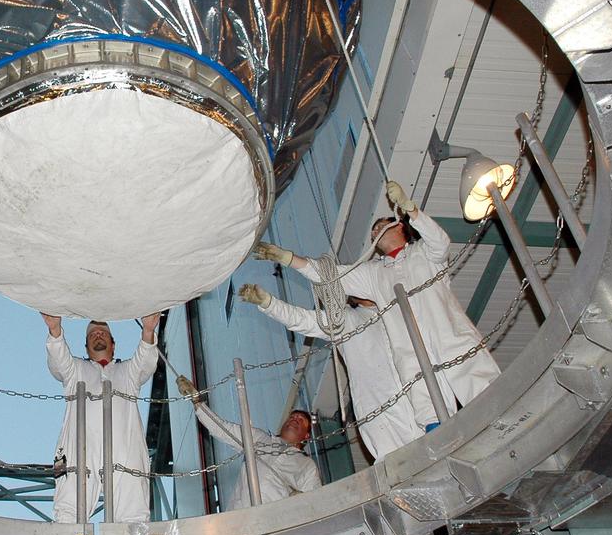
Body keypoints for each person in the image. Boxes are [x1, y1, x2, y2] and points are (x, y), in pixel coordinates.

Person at [258, 181, 499, 430]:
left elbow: (441, 242)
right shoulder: (373, 273)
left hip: (447, 331)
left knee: (473, 375)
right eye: (373, 233)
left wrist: (410, 208)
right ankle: (436, 431)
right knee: (421, 389)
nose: (375, 233)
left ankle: (500, 415)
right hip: (410, 349)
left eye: (380, 226)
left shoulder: (424, 253)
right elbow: (332, 276)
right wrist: (289, 259)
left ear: (400, 226)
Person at [235, 284, 422, 460]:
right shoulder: (346, 320)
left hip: (420, 399)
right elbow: (303, 320)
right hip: (381, 413)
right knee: (398, 463)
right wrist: (269, 303)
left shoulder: (397, 310)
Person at [42, 313, 160, 524]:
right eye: (93, 334)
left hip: (124, 446)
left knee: (132, 506)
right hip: (79, 447)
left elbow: (146, 362)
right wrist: (55, 330)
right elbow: (58, 362)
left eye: (103, 333)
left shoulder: (127, 371)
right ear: (86, 347)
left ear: (113, 344)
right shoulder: (76, 369)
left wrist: (148, 331)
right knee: (69, 507)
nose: (98, 335)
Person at [175, 375, 321, 509]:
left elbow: (315, 502)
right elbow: (222, 429)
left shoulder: (307, 465)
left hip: (275, 521)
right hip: (239, 516)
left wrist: (299, 503)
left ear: (307, 435)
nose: (295, 419)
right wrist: (196, 401)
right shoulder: (260, 438)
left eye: (301, 420)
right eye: (292, 417)